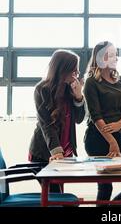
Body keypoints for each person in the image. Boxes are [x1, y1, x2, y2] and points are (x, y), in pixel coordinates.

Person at [83, 41, 121, 205]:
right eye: (112, 55)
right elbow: (96, 115)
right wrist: (111, 141)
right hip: (98, 139)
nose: (116, 58)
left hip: (120, 137)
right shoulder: (91, 82)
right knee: (105, 187)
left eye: (116, 54)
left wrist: (120, 124)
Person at [29, 50, 85, 191]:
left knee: (58, 196)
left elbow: (79, 119)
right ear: (62, 69)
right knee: (56, 197)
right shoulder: (41, 90)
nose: (75, 75)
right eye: (74, 71)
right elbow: (46, 125)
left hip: (64, 154)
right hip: (44, 153)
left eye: (77, 72)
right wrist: (57, 152)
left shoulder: (70, 89)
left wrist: (79, 96)